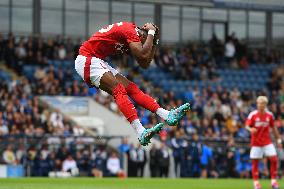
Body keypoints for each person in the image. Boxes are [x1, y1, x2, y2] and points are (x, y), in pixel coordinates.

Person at [75, 21, 190, 146]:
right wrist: (152, 32)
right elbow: (142, 54)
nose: (145, 45)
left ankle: (166, 115)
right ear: (143, 35)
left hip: (95, 59)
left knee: (132, 88)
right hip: (87, 58)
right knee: (118, 90)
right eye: (147, 41)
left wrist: (154, 41)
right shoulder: (131, 31)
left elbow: (144, 63)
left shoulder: (133, 36)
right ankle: (140, 131)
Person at [245, 96, 282, 189]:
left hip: (267, 142)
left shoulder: (270, 115)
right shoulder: (252, 114)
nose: (261, 105)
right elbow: (246, 125)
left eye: (263, 103)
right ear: (257, 104)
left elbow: (274, 128)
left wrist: (278, 140)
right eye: (259, 103)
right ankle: (256, 183)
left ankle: (273, 181)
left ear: (265, 104)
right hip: (256, 142)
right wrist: (251, 129)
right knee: (255, 163)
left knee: (274, 159)